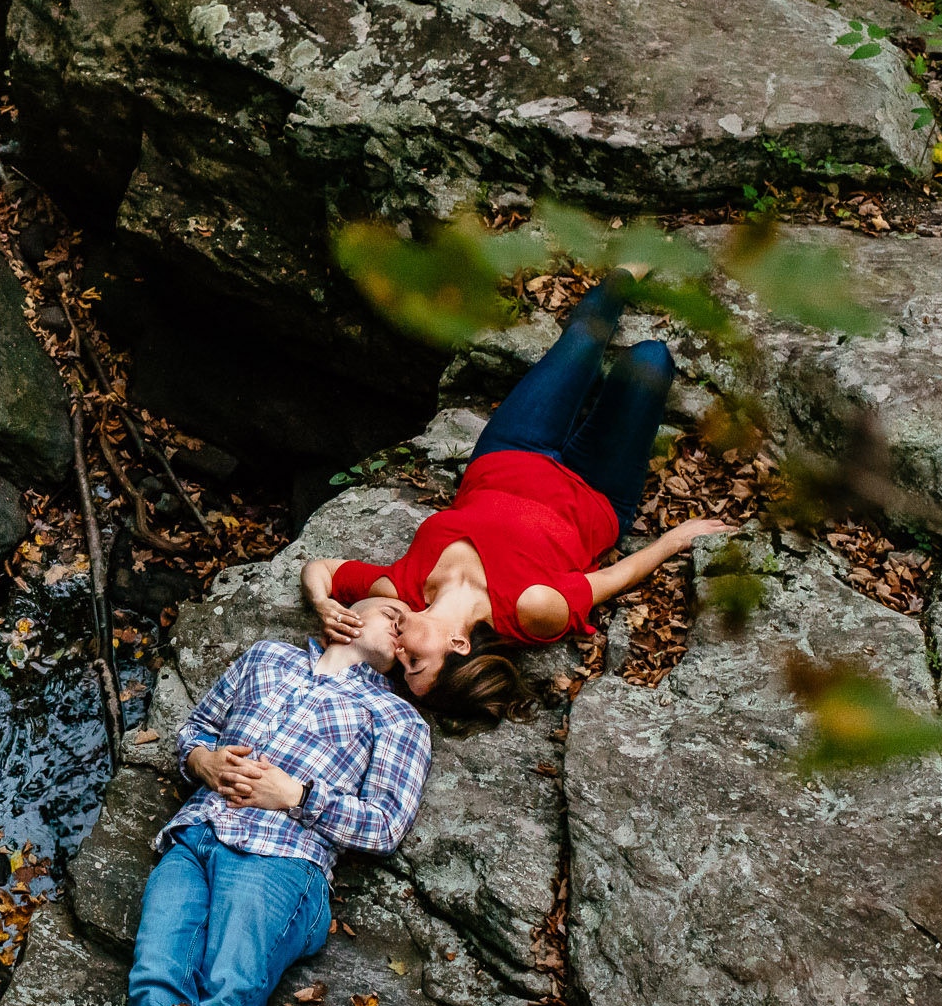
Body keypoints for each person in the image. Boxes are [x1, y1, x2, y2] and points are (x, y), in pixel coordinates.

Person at [87, 596, 428, 1006]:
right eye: (394, 611)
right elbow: (194, 732)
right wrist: (203, 761)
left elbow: (384, 826)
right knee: (154, 974)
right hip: (196, 836)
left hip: (284, 860)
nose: (401, 625)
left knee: (227, 986)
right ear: (349, 613)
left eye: (408, 630)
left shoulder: (397, 718)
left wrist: (296, 793)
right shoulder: (267, 658)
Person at [298, 281, 734, 724]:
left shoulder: (397, 590)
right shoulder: (532, 610)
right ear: (459, 646)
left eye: (404, 666)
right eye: (414, 663)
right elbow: (612, 578)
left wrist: (323, 604)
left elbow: (321, 569)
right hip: (595, 489)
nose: (396, 653)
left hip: (510, 453)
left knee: (583, 339)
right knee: (650, 358)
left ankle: (624, 273)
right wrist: (676, 540)